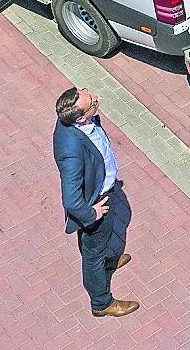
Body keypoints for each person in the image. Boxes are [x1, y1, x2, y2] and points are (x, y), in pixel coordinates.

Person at [53, 87, 138, 318]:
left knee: (98, 245)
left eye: (88, 94)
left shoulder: (77, 121)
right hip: (96, 205)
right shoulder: (71, 149)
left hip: (102, 196)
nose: (97, 99)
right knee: (92, 254)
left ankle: (106, 262)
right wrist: (91, 214)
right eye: (92, 102)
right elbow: (71, 199)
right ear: (80, 117)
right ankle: (101, 303)